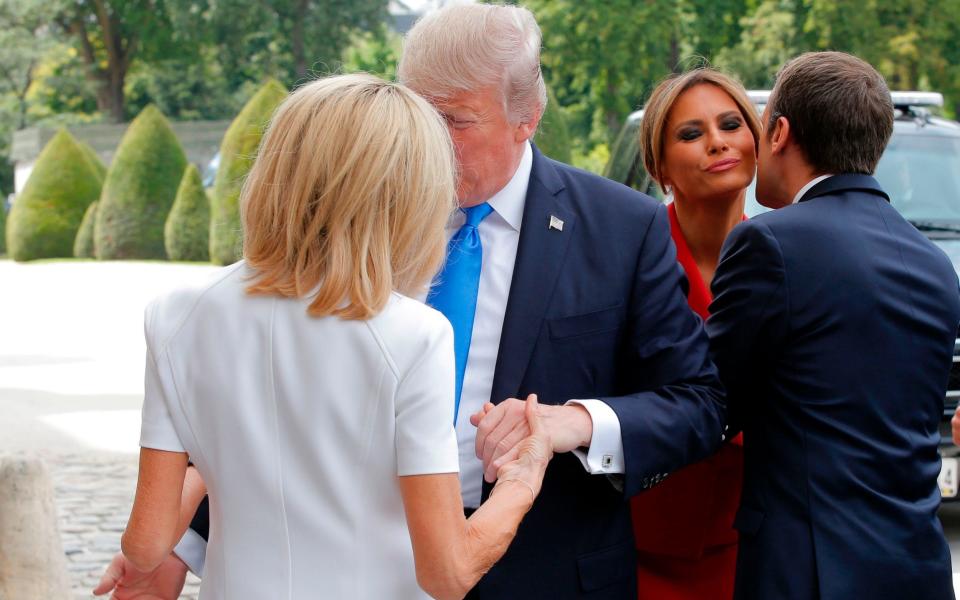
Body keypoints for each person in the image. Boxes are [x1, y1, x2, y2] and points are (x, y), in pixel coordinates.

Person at [98, 5, 727, 599]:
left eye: (455, 121)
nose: (426, 143)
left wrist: (579, 423)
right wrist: (184, 545)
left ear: (526, 115)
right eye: (415, 113)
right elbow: (266, 388)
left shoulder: (621, 227)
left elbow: (698, 402)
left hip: (546, 569)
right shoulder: (346, 227)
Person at [97, 73, 553, 600]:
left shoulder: (173, 313)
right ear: (403, 196)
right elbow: (447, 573)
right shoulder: (415, 334)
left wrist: (217, 460)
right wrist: (525, 473)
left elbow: (147, 546)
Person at [706, 51, 960, 600]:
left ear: (779, 132)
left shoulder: (770, 243)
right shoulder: (936, 264)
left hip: (807, 572)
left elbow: (711, 398)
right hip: (919, 565)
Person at [629, 69, 760, 600]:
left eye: (731, 124)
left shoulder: (796, 252)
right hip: (640, 542)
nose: (717, 142)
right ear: (660, 167)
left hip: (755, 540)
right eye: (691, 133)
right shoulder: (629, 253)